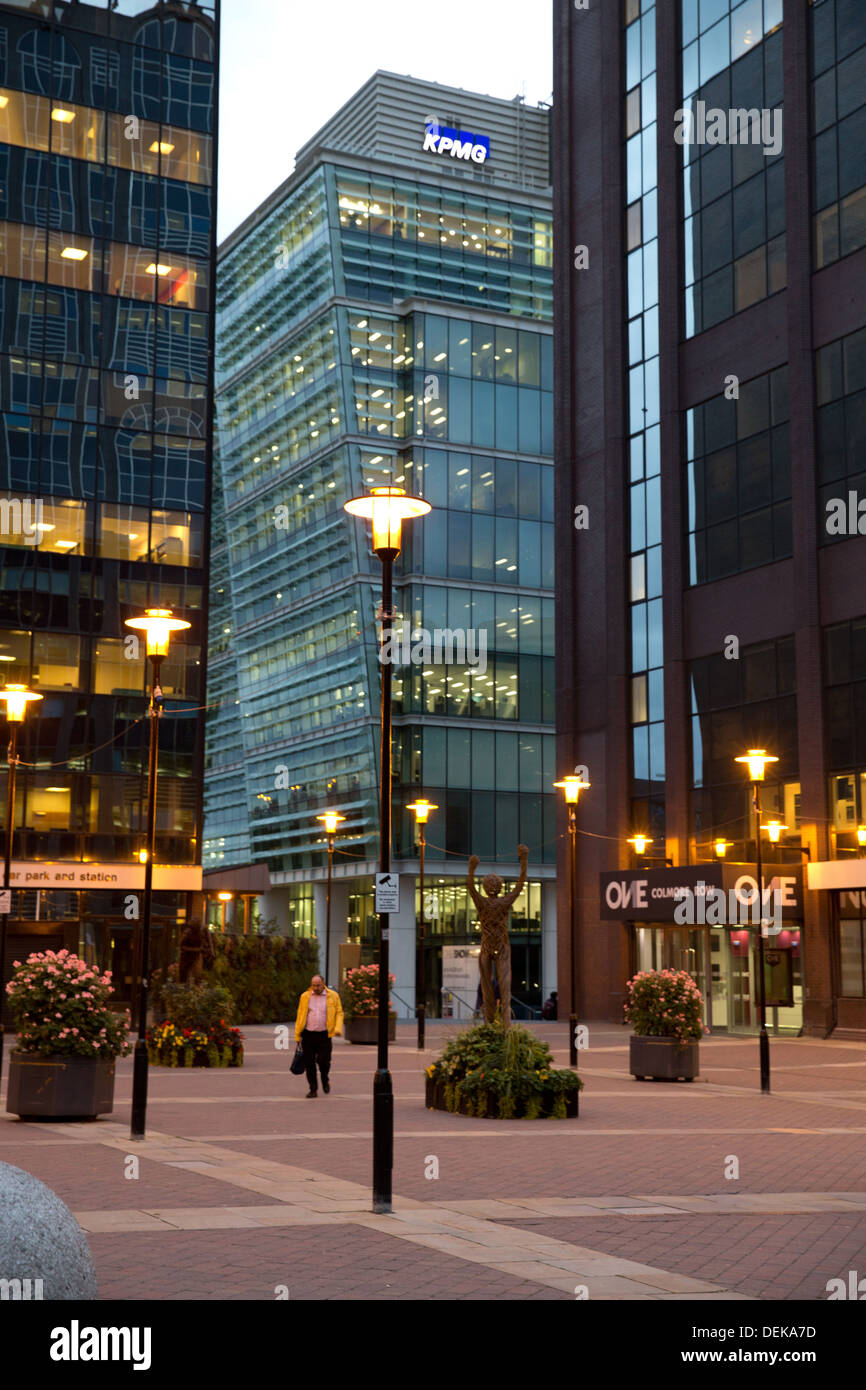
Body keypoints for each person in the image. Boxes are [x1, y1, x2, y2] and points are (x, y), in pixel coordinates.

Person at [294, 974, 343, 1097]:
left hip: (324, 1035)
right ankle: (313, 1089)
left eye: (318, 985)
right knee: (309, 1064)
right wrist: (297, 1034)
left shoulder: (333, 996)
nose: (315, 988)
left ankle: (325, 1079)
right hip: (308, 1035)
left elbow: (339, 1013)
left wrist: (337, 1028)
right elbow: (300, 1015)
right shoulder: (305, 996)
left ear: (323, 984)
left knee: (324, 1061)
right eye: (313, 985)